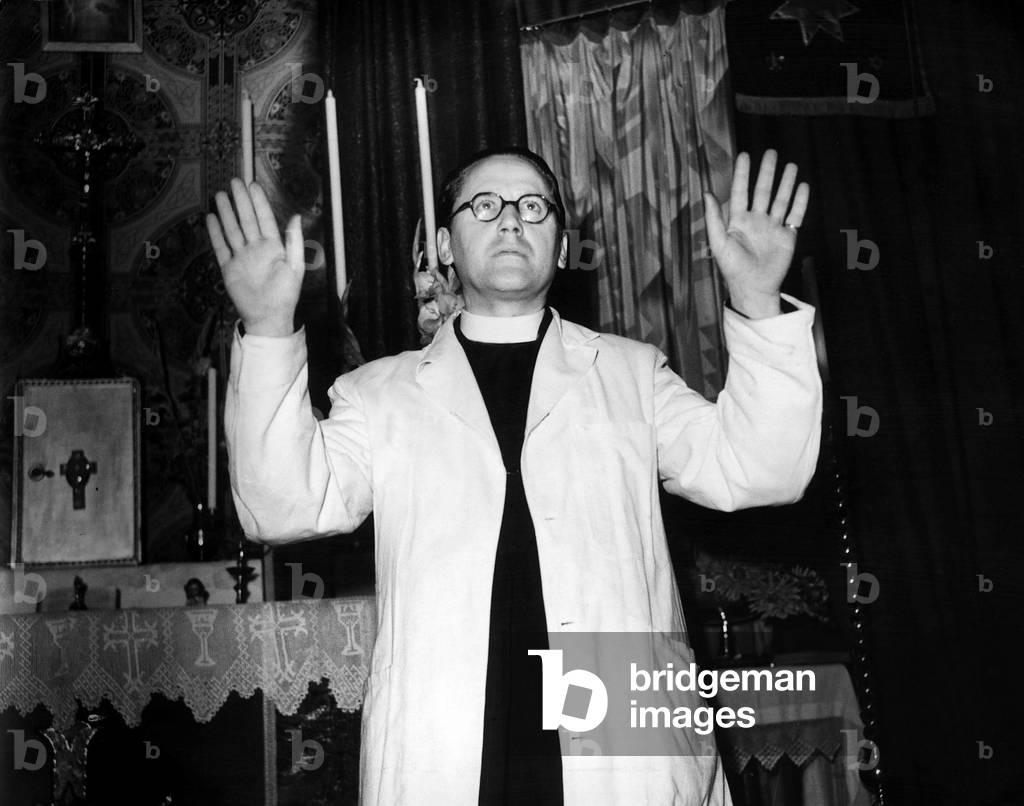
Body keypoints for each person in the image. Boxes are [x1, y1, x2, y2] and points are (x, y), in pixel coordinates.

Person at [205, 146, 821, 805]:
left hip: (610, 715)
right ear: (445, 243)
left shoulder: (630, 375)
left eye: (533, 206)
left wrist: (757, 302)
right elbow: (282, 505)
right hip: (450, 731)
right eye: (484, 205)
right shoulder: (379, 395)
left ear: (560, 247)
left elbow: (762, 470)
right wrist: (268, 327)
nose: (509, 220)